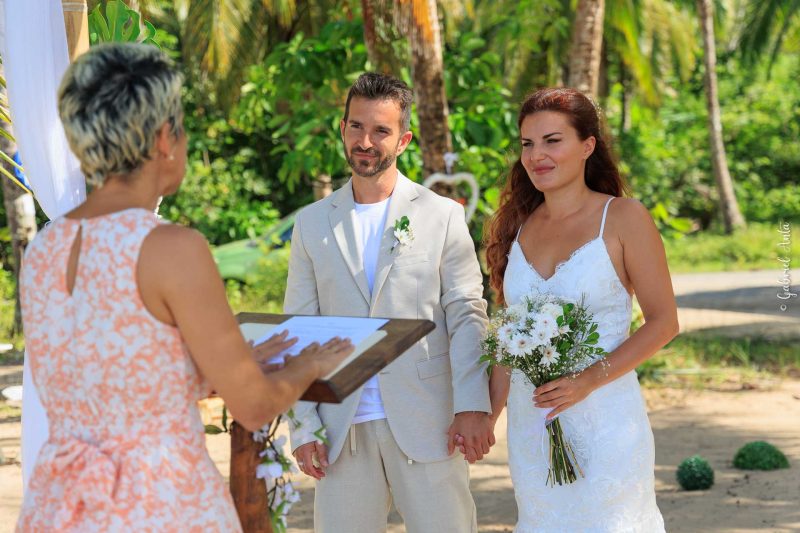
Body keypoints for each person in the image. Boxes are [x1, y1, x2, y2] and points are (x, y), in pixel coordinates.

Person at [15, 43, 353, 532]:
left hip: (64, 504)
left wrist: (237, 361)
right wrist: (309, 365)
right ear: (162, 138)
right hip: (156, 500)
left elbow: (114, 374)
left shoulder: (44, 248)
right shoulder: (169, 247)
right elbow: (254, 407)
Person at [285, 72, 493, 533]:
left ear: (403, 140)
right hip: (340, 430)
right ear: (342, 130)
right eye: (356, 127)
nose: (366, 141)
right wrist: (303, 427)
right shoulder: (312, 223)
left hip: (430, 420)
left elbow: (466, 315)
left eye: (381, 130)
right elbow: (299, 329)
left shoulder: (441, 215)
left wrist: (472, 404)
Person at [483, 88, 679, 532]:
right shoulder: (517, 224)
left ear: (587, 145)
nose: (537, 155)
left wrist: (588, 380)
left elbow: (665, 322)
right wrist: (488, 414)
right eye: (528, 144)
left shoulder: (625, 217)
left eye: (553, 141)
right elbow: (507, 333)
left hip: (606, 421)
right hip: (532, 426)